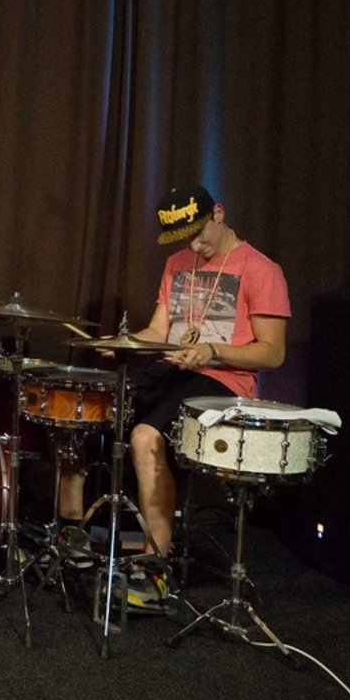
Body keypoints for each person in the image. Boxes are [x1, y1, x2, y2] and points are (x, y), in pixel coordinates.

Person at [116, 185, 290, 603]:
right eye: (184, 240)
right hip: (175, 368)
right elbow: (158, 331)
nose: (194, 246)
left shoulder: (261, 269)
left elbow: (273, 352)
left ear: (218, 213)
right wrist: (121, 343)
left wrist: (212, 351)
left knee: (145, 436)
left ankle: (156, 565)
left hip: (226, 379)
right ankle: (80, 535)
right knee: (105, 407)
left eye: (198, 234)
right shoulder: (177, 263)